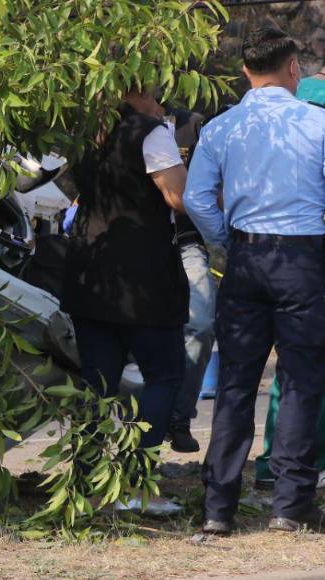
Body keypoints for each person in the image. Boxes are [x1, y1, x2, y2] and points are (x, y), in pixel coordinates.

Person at [183, 26, 325, 535]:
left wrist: (228, 240)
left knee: (238, 385)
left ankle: (218, 508)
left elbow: (198, 198)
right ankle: (290, 504)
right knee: (301, 380)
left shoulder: (222, 128)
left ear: (245, 71)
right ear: (294, 69)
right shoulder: (318, 124)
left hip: (246, 256)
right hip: (305, 260)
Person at [64, 87, 189, 514]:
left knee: (97, 383)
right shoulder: (149, 133)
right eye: (157, 92)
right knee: (164, 374)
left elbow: (69, 187)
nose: (162, 102)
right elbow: (178, 197)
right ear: (136, 91)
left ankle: (83, 487)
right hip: (143, 278)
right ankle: (141, 486)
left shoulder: (83, 130)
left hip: (90, 269)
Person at [253, 64, 325, 491]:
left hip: (271, 248)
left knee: (291, 368)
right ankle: (303, 464)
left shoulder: (291, 99)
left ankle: (272, 464)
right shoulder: (315, 108)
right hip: (312, 251)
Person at [164, 109, 218, 454]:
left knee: (201, 322)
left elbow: (202, 190)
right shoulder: (111, 124)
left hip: (185, 242)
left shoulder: (191, 125)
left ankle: (178, 418)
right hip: (132, 246)